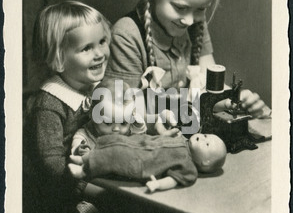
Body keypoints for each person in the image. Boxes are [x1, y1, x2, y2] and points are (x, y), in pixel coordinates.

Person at [104, 0, 271, 134]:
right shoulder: (127, 34)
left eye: (200, 9)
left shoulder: (194, 25)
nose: (190, 20)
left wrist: (237, 101)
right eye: (180, 7)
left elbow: (211, 88)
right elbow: (122, 117)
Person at [23, 0, 112, 213]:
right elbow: (51, 165)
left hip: (89, 172)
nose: (99, 54)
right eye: (86, 48)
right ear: (59, 59)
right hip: (59, 194)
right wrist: (83, 185)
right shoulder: (49, 104)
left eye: (102, 42)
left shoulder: (92, 86)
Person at [68, 79, 227, 193]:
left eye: (123, 123)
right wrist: (79, 150)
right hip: (97, 182)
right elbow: (78, 143)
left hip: (126, 179)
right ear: (92, 114)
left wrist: (160, 129)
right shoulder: (87, 133)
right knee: (90, 191)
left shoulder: (132, 127)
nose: (116, 129)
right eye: (108, 123)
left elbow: (145, 139)